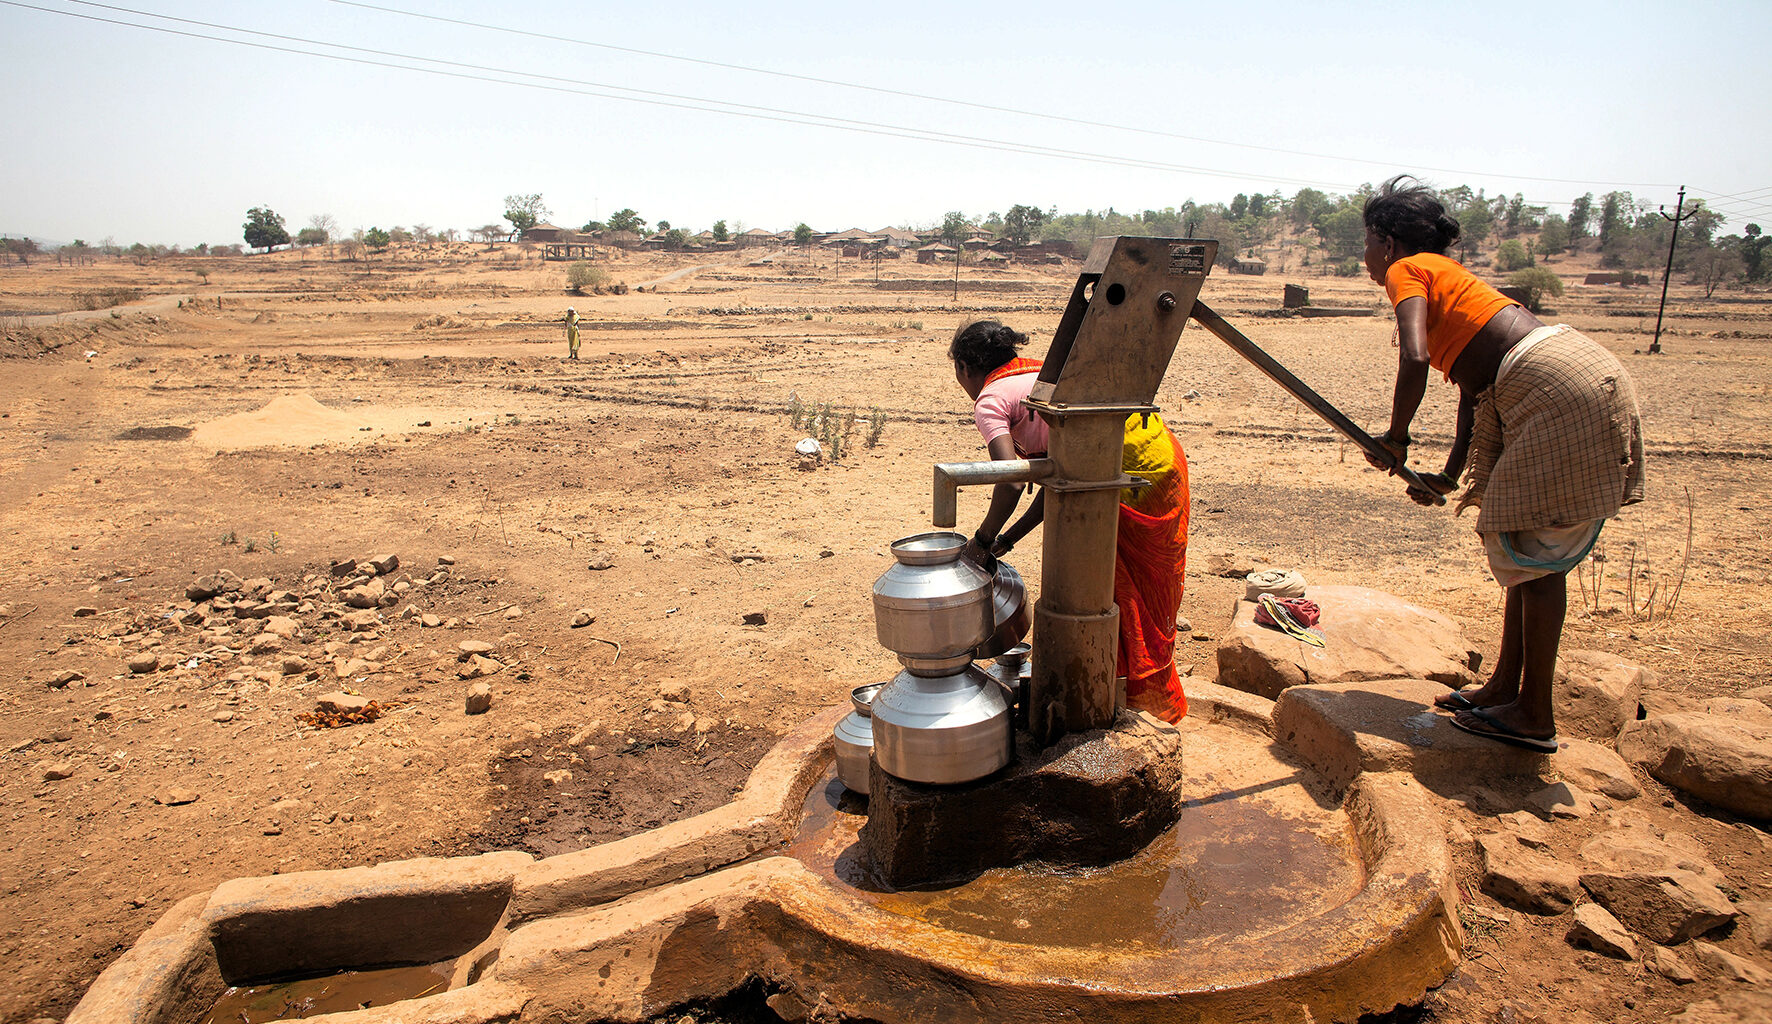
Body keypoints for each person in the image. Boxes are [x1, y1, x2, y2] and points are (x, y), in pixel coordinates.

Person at [1361, 176, 1644, 753]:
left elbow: (1416, 357)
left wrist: (1395, 436)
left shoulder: (1406, 270)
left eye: (1366, 242)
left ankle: (1535, 714)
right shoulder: (1451, 277)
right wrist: (1447, 471)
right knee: (1522, 550)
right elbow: (1475, 390)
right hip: (1569, 370)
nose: (1365, 256)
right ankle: (1503, 690)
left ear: (1387, 242)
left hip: (1549, 386)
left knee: (1536, 560)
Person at [949, 319, 1191, 722]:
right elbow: (1057, 480)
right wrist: (1006, 541)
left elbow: (1009, 482)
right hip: (1162, 461)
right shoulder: (1047, 374)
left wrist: (981, 541)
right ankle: (1140, 699)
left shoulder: (991, 400)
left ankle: (1130, 705)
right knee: (1147, 588)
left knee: (1111, 591)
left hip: (1116, 475)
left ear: (964, 368)